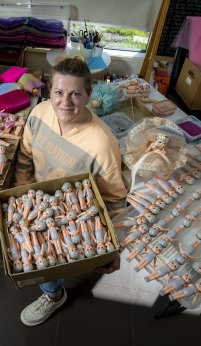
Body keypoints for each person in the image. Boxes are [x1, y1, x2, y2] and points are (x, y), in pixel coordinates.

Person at [14, 57, 128, 327]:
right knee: (34, 255)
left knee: (53, 260)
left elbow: (114, 198)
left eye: (76, 93)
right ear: (49, 92)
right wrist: (21, 193)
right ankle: (52, 288)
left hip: (75, 214)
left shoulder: (102, 144)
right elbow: (25, 155)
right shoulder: (40, 113)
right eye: (59, 92)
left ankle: (54, 295)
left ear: (89, 94)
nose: (66, 102)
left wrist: (114, 248)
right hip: (36, 202)